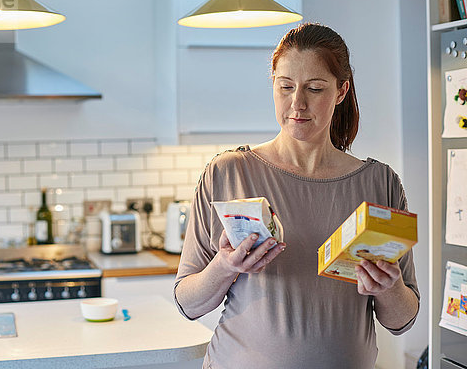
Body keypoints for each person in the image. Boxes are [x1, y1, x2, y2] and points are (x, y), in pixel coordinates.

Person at [173, 23, 420, 369]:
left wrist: (388, 286)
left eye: (315, 88)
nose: (297, 103)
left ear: (341, 90)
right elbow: (188, 302)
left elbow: (401, 320)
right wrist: (224, 266)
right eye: (285, 86)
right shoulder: (227, 172)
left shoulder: (381, 183)